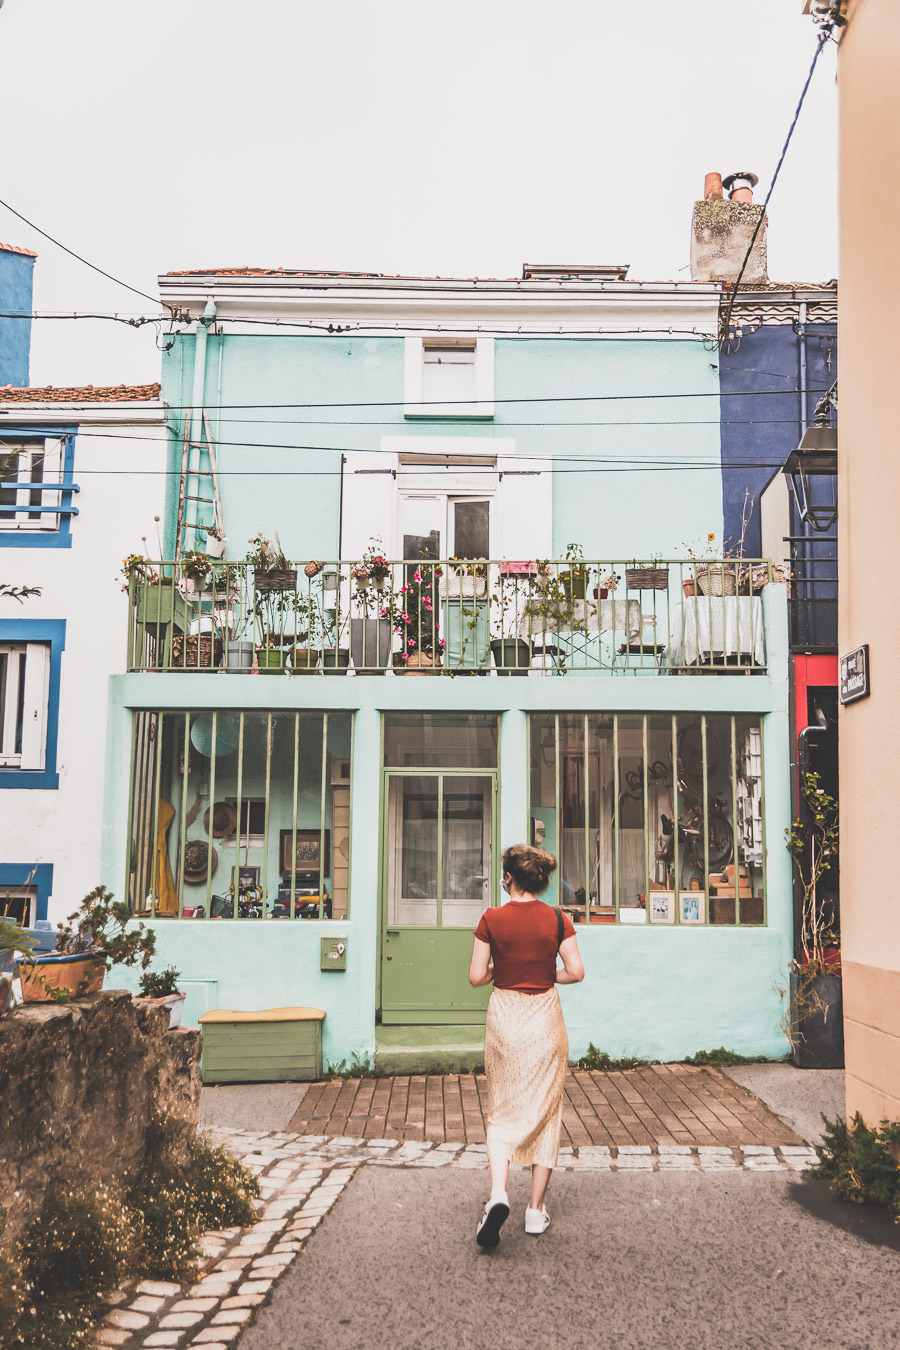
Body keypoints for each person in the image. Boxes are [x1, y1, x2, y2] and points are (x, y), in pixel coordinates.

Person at [468, 844, 584, 1248]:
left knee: (501, 1108)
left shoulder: (491, 919)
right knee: (546, 1111)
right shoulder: (556, 918)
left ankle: (498, 1194)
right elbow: (577, 972)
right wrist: (544, 971)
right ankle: (535, 1211)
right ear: (540, 880)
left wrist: (505, 966)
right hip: (544, 1018)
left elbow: (476, 977)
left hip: (505, 1018)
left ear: (508, 879)